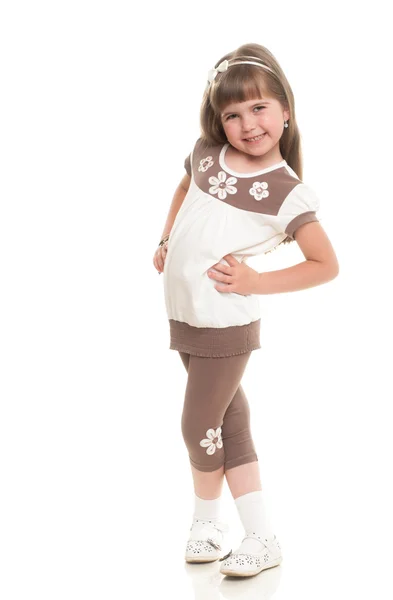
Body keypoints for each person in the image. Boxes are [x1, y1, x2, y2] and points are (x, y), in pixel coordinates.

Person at [152, 42, 339, 578]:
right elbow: (185, 185)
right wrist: (166, 237)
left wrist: (257, 280)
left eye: (259, 108)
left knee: (197, 425)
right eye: (232, 114)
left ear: (285, 110)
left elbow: (325, 264)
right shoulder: (207, 153)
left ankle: (209, 520)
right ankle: (256, 536)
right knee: (228, 423)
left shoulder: (286, 193)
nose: (246, 123)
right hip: (185, 313)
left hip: (224, 322)